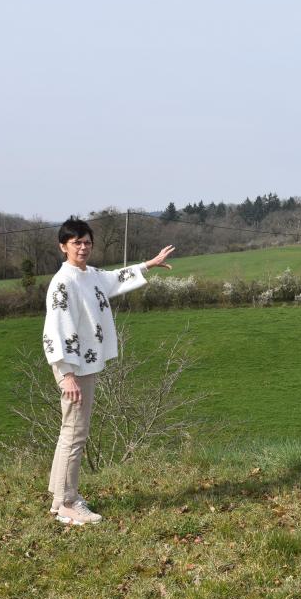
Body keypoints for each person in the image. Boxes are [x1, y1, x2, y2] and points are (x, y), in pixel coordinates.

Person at [42, 217, 175, 525]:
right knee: (75, 433)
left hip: (83, 364)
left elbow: (115, 277)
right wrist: (67, 374)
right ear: (63, 247)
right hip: (73, 367)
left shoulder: (89, 275)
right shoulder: (64, 282)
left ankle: (59, 495)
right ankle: (67, 503)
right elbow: (56, 330)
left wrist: (150, 264)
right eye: (76, 243)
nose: (83, 247)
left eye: (87, 242)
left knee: (72, 431)